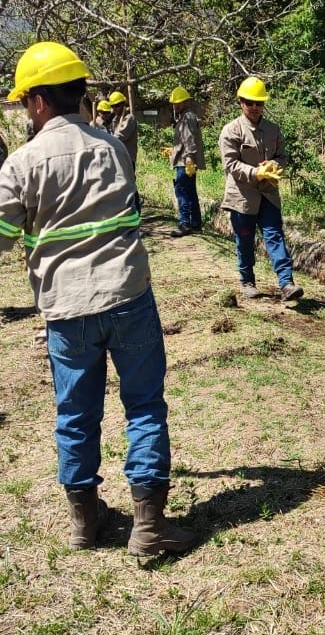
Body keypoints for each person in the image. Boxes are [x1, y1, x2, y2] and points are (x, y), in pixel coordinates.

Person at [0, 41, 196, 557]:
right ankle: (149, 524)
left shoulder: (20, 165)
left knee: (75, 414)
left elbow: (0, 236)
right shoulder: (112, 148)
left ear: (38, 101)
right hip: (127, 295)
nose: (24, 109)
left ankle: (85, 522)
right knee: (145, 406)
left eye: (24, 101)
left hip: (66, 311)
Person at [219, 76, 303, 301]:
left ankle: (286, 283)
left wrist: (274, 165)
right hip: (242, 197)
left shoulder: (273, 129)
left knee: (274, 236)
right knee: (244, 240)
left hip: (268, 195)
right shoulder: (231, 131)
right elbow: (230, 165)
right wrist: (256, 172)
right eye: (250, 102)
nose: (255, 107)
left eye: (259, 103)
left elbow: (282, 157)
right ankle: (247, 281)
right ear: (241, 102)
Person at [167, 86, 204, 237]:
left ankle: (185, 223)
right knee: (190, 192)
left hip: (185, 161)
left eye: (178, 103)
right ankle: (195, 224)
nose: (175, 106)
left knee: (181, 191)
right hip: (185, 159)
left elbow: (189, 139)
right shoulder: (185, 117)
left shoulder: (187, 117)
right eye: (174, 103)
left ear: (186, 102)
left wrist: (189, 156)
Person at [109, 90, 140, 213]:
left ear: (123, 104)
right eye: (113, 106)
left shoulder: (129, 119)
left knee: (130, 187)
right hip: (117, 158)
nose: (115, 109)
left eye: (117, 105)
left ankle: (136, 213)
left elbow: (118, 136)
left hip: (127, 159)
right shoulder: (115, 120)